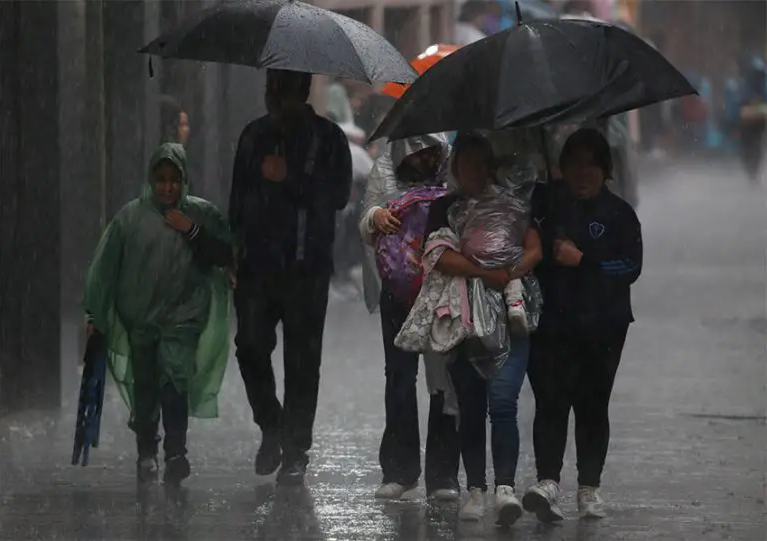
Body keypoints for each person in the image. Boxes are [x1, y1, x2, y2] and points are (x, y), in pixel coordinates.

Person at [229, 69, 352, 484]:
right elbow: (238, 198)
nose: (273, 96)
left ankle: (297, 447)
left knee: (302, 362)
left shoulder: (329, 139)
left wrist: (293, 178)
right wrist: (234, 253)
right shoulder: (253, 136)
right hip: (257, 267)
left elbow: (338, 197)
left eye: (280, 89)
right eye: (269, 88)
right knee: (249, 346)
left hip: (306, 268)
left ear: (300, 92)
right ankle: (272, 425)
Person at [83, 142, 232, 485]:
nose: (168, 187)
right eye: (161, 179)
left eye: (174, 179)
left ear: (184, 180)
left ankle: (176, 452)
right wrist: (95, 312)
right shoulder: (130, 218)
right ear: (151, 179)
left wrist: (191, 230)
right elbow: (105, 267)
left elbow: (224, 250)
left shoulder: (200, 213)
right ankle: (147, 449)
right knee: (147, 384)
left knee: (175, 379)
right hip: (141, 320)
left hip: (184, 316)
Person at [522, 128, 643, 521]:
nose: (583, 173)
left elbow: (630, 267)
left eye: (592, 164)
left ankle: (589, 486)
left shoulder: (620, 214)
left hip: (604, 327)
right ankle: (548, 481)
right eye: (575, 164)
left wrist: (584, 260)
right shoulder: (545, 204)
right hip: (552, 324)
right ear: (562, 167)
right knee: (551, 402)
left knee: (593, 405)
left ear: (606, 170)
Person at [422, 133, 542, 524]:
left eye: (478, 163)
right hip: (463, 316)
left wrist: (510, 273)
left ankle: (505, 487)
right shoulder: (446, 210)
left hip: (512, 313)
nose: (470, 171)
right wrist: (480, 272)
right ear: (455, 168)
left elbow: (533, 247)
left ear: (489, 166)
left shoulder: (514, 204)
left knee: (504, 402)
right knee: (470, 406)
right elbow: (437, 255)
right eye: (463, 163)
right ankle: (475, 488)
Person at [359, 133, 461, 501]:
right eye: (418, 153)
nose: (425, 159)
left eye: (431, 151)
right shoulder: (384, 169)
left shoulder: (453, 169)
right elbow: (366, 219)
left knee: (443, 380)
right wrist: (377, 217)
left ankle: (444, 474)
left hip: (443, 289)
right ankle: (399, 470)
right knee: (399, 378)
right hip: (398, 291)